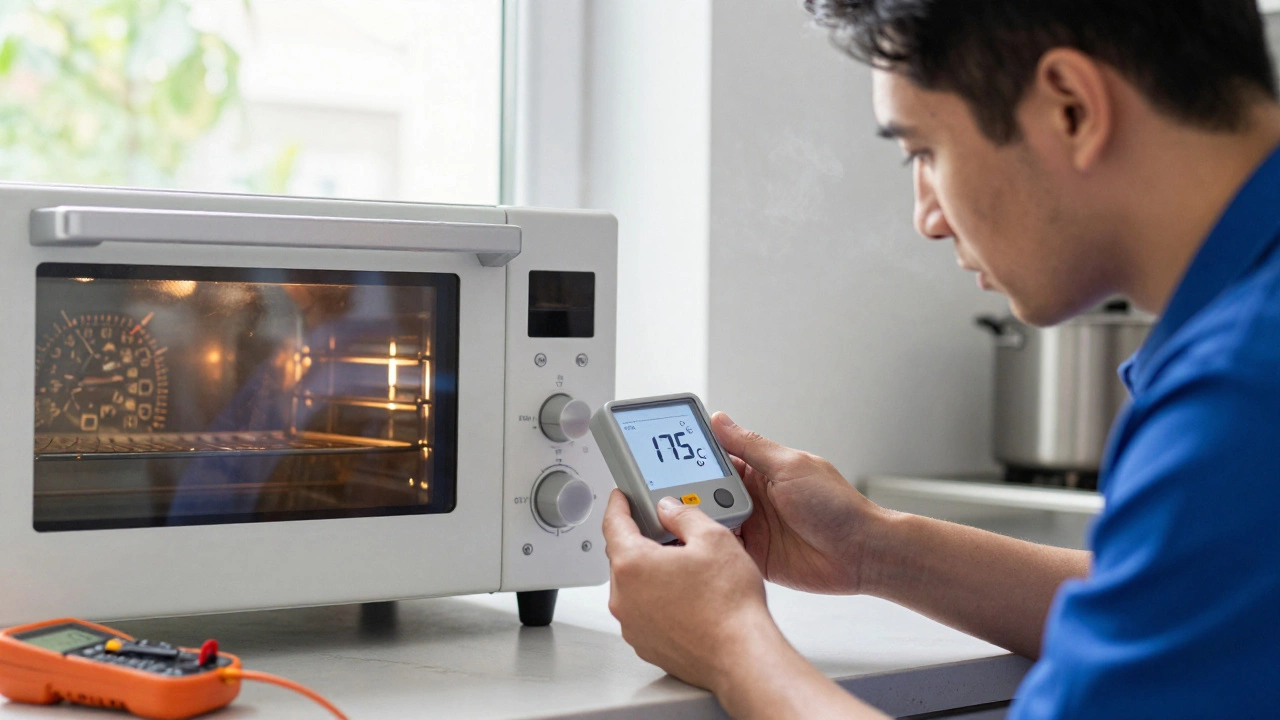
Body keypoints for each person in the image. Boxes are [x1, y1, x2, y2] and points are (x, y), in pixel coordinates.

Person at [600, 1, 1280, 718]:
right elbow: (1177, 599)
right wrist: (873, 549)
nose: (927, 217)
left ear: (1072, 109)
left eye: (924, 151)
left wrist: (731, 646)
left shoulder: (1238, 395)